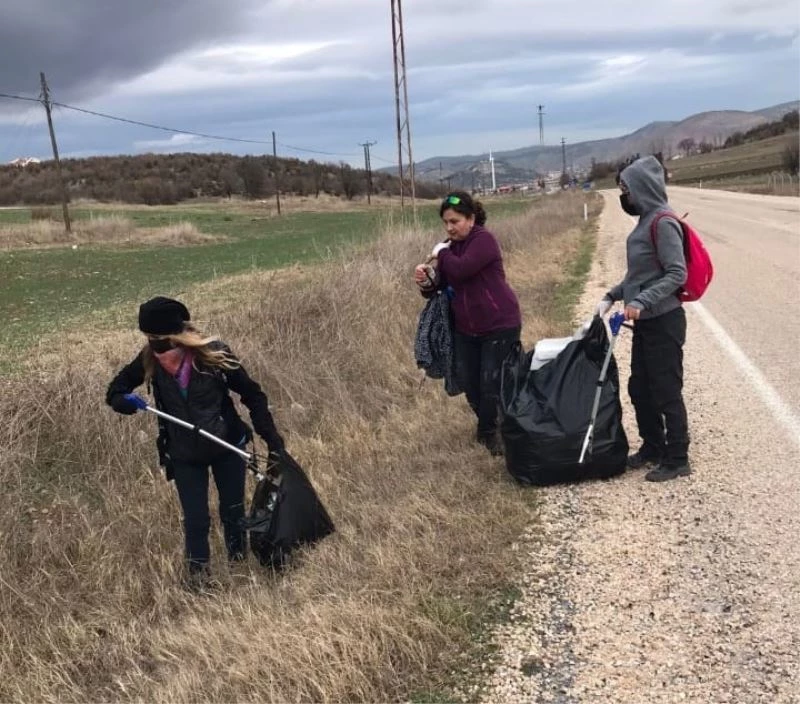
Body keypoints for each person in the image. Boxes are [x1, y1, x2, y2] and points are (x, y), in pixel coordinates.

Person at [106, 296, 286, 584]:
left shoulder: (213, 355)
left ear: (180, 336)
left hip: (226, 444)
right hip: (183, 452)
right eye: (150, 340)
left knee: (233, 512)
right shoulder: (148, 358)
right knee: (196, 520)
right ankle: (198, 580)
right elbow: (116, 388)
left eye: (162, 341)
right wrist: (120, 401)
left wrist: (273, 439)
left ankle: (238, 567)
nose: (157, 348)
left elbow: (252, 394)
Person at [595, 155, 691, 482]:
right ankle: (653, 446)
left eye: (626, 189)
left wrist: (641, 300)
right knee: (640, 388)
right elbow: (640, 275)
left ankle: (678, 457)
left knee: (666, 389)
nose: (624, 196)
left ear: (642, 188)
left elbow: (677, 273)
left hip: (665, 321)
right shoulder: (644, 221)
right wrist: (613, 295)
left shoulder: (662, 222)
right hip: (646, 322)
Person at [414, 192, 522, 456]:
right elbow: (438, 287)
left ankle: (489, 435)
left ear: (471, 219)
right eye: (446, 223)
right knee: (468, 381)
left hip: (499, 323)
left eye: (455, 221)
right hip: (466, 328)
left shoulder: (483, 240)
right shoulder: (451, 248)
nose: (450, 227)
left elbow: (462, 269)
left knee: (491, 384)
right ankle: (491, 427)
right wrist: (426, 279)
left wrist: (442, 253)